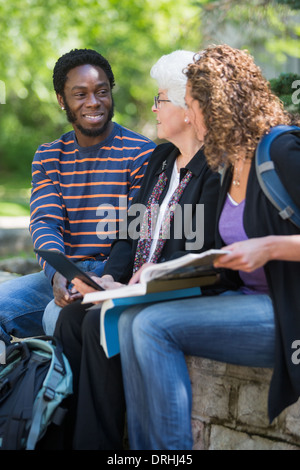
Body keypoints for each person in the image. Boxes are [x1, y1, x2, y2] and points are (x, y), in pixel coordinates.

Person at [117, 43, 300, 450]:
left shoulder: (282, 151)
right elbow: (216, 257)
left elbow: (266, 247)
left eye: (194, 104)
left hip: (286, 311)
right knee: (130, 320)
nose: (191, 114)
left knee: (151, 325)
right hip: (245, 300)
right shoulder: (228, 166)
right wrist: (162, 274)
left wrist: (270, 247)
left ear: (218, 105)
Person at [53, 49, 220, 449]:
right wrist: (110, 276)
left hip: (179, 288)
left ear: (187, 107)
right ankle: (68, 435)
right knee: (72, 318)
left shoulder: (217, 169)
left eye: (161, 99)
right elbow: (130, 234)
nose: (153, 107)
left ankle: (101, 444)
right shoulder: (161, 160)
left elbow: (206, 249)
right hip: (137, 286)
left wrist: (147, 278)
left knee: (98, 324)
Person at [0, 48, 155, 344]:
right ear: (62, 100)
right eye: (80, 94)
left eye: (101, 91)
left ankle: (61, 391)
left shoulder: (141, 153)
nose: (93, 102)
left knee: (56, 318)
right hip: (64, 270)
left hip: (113, 275)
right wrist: (58, 273)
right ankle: (17, 385)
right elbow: (45, 223)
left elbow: (136, 234)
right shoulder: (49, 156)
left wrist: (102, 280)